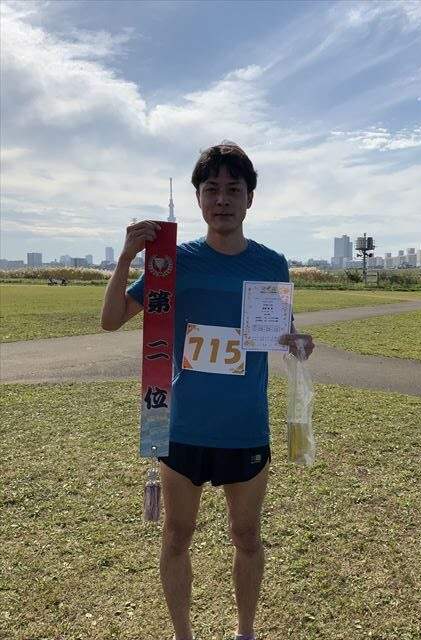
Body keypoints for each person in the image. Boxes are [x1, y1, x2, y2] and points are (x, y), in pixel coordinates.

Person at [100, 142, 314, 640]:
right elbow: (111, 319)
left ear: (250, 198)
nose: (222, 200)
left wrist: (298, 343)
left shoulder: (271, 263)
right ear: (197, 198)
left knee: (247, 536)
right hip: (182, 428)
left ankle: (245, 632)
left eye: (233, 189)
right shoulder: (171, 261)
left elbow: (282, 331)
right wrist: (127, 257)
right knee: (176, 536)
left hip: (245, 429)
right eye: (212, 189)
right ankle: (183, 635)